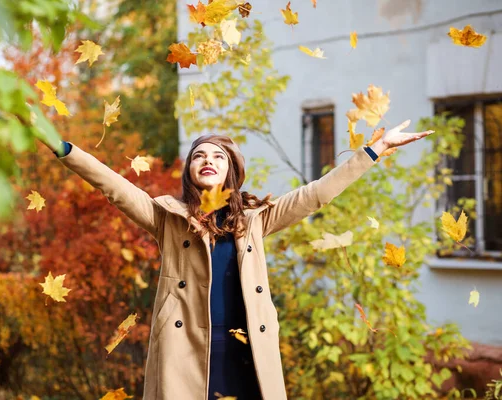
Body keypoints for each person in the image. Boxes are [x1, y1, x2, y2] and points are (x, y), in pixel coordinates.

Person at [39, 119, 433, 400]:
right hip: (187, 349)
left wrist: (375, 149)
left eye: (217, 156)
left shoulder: (256, 220)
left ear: (231, 171)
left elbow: (317, 194)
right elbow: (115, 187)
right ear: (190, 172)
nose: (207, 160)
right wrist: (62, 147)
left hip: (246, 351)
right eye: (198, 156)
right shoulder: (169, 219)